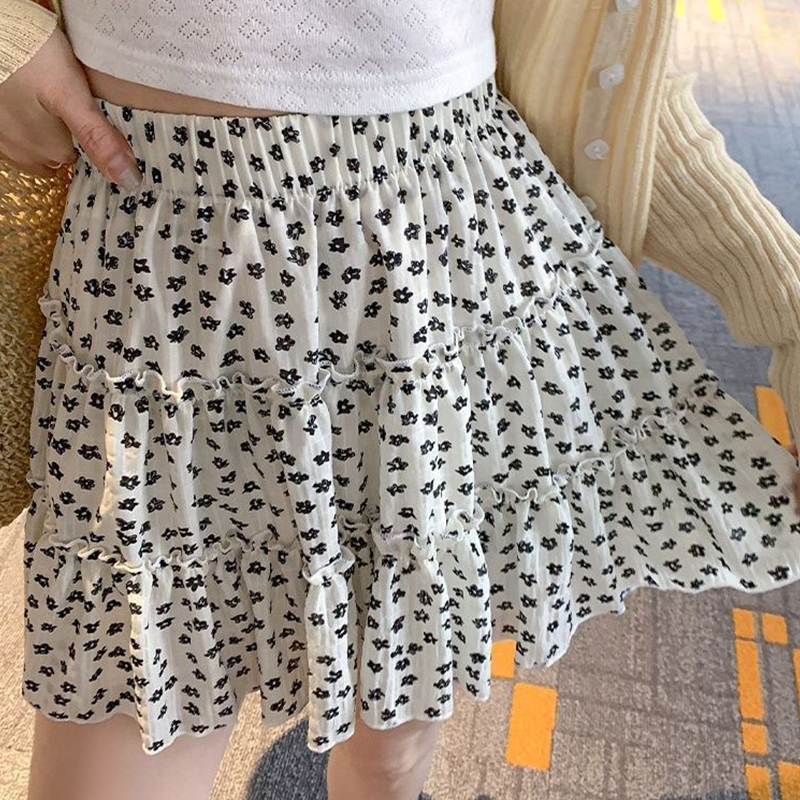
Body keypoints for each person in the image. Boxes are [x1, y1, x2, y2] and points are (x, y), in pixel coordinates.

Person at [3, 2, 800, 800]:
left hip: (441, 252)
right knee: (139, 701)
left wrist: (791, 312)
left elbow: (621, 86)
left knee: (393, 741)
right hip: (172, 263)